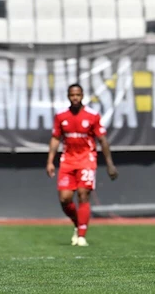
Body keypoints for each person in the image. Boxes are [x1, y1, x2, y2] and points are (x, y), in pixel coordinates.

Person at [46, 83, 118, 247]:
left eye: (78, 94)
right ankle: (78, 223)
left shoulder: (92, 115)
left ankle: (82, 235)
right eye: (72, 95)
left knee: (83, 194)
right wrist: (50, 161)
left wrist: (109, 164)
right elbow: (56, 138)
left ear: (83, 95)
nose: (75, 97)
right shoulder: (61, 116)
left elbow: (102, 140)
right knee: (65, 199)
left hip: (87, 159)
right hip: (68, 161)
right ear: (68, 96)